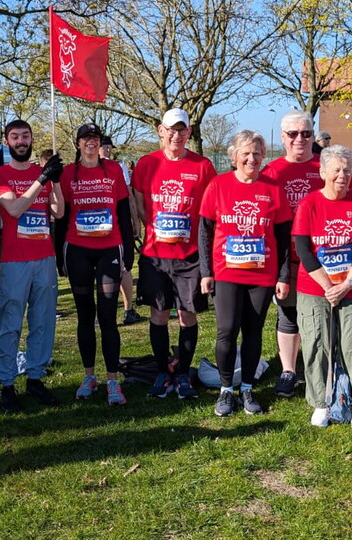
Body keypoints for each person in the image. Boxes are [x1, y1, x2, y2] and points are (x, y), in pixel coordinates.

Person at [199, 130, 292, 416]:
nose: (251, 159)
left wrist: (284, 275)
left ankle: (248, 387)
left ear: (264, 156)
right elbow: (204, 232)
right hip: (226, 272)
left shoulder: (273, 188)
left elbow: (284, 237)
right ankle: (226, 390)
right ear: (235, 156)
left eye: (257, 153)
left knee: (253, 332)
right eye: (246, 153)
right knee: (227, 330)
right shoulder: (218, 185)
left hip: (262, 275)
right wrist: (205, 271)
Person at [293, 145, 352, 431]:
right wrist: (329, 286)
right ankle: (321, 403)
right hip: (315, 286)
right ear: (323, 173)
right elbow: (304, 249)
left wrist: (347, 284)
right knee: (317, 342)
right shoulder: (309, 204)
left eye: (348, 170)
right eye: (337, 170)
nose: (343, 176)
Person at [131, 108, 217, 399]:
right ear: (160, 131)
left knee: (186, 315)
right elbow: (140, 203)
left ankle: (182, 373)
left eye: (182, 130)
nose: (176, 136)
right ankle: (161, 371)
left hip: (189, 255)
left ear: (189, 133)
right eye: (171, 130)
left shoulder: (203, 166)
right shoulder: (146, 164)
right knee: (158, 313)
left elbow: (209, 210)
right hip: (156, 254)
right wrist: (153, 227)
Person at [55, 123, 134, 405]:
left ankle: (113, 380)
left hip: (109, 249)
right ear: (78, 144)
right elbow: (61, 217)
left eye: (95, 138)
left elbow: (124, 211)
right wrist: (57, 254)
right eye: (86, 138)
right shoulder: (67, 173)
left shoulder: (113, 170)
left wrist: (129, 249)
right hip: (77, 250)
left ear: (100, 143)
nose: (91, 142)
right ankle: (89, 375)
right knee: (85, 315)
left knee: (109, 316)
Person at [0, 120, 65, 412]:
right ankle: (7, 383)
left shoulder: (41, 174)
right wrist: (42, 180)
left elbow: (58, 212)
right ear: (6, 141)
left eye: (25, 136)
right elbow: (14, 208)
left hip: (44, 258)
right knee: (10, 324)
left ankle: (35, 377)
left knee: (43, 322)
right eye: (15, 137)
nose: (21, 141)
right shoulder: (0, 174)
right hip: (14, 261)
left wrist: (55, 181)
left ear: (32, 139)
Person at [261, 111, 323, 399]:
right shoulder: (271, 172)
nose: (300, 139)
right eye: (293, 134)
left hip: (325, 257)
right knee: (288, 313)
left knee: (323, 315)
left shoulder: (327, 166)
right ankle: (289, 370)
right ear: (283, 137)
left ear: (313, 134)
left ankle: (323, 368)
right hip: (287, 257)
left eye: (306, 133)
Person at [100, 135, 142, 326]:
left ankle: (126, 310)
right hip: (112, 224)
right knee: (121, 267)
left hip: (111, 223)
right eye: (105, 146)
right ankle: (124, 310)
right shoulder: (117, 167)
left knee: (122, 267)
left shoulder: (118, 166)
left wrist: (135, 221)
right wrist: (134, 221)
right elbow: (129, 197)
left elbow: (129, 196)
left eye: (109, 147)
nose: (108, 150)